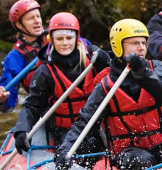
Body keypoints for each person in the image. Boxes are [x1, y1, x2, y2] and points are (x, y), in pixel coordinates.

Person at [55, 19, 162, 170]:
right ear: (118, 47)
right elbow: (85, 122)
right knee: (142, 161)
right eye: (135, 43)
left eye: (144, 43)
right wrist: (65, 150)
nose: (141, 48)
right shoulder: (105, 87)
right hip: (129, 151)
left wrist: (142, 73)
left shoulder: (161, 68)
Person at [10, 12, 111, 155]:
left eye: (69, 38)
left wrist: (106, 59)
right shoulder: (45, 72)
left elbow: (116, 69)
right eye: (59, 38)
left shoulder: (92, 57)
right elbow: (33, 105)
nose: (64, 43)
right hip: (66, 132)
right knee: (87, 145)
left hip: (98, 126)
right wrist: (22, 129)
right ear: (51, 40)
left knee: (99, 143)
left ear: (77, 38)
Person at [0, 0, 45, 112]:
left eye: (38, 16)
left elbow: (82, 44)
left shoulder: (58, 38)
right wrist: (3, 98)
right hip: (46, 108)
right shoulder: (14, 58)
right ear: (19, 25)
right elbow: (9, 103)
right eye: (31, 18)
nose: (37, 21)